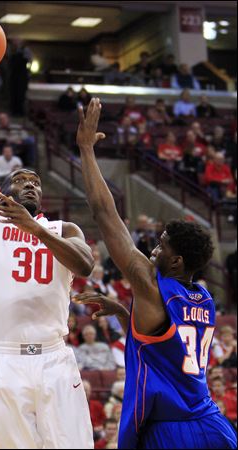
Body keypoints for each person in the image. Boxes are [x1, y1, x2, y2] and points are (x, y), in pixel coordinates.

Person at [74, 97, 237, 449]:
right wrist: (124, 314)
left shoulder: (151, 285)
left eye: (161, 246)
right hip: (213, 423)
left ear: (176, 262)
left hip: (173, 429)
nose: (153, 250)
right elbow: (165, 346)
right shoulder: (204, 298)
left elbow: (104, 213)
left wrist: (86, 149)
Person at [0, 66, 95, 449]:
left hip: (54, 358)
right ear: (2, 191)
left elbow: (85, 265)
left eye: (36, 181)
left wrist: (36, 231)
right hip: (1, 360)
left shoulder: (64, 229)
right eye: (21, 179)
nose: (31, 184)